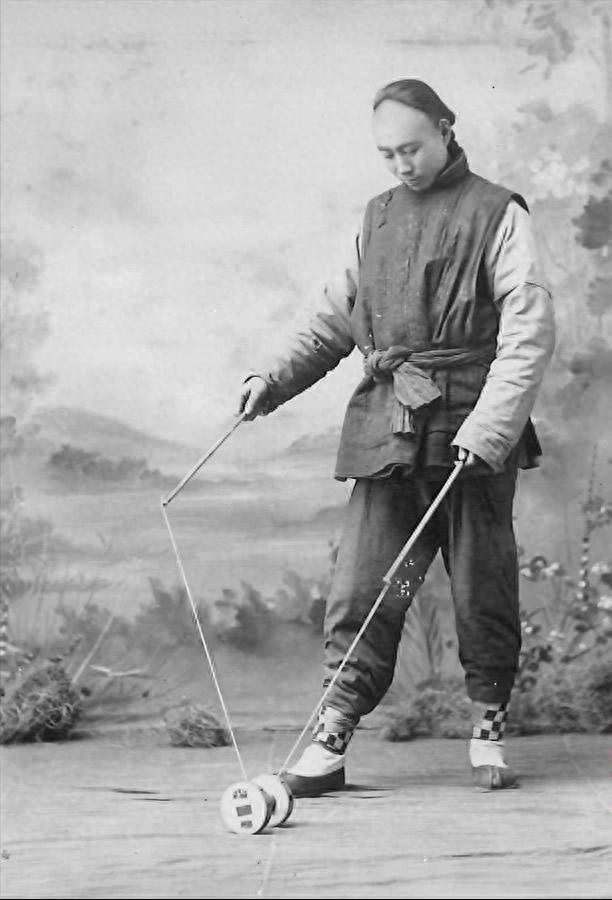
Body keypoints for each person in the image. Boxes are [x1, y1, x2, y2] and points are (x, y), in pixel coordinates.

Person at [238, 79, 555, 795]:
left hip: (471, 432)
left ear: (446, 129)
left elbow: (529, 331)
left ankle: (488, 723)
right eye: (387, 154)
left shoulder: (498, 213)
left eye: (411, 148)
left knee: (479, 585)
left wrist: (489, 427)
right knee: (374, 583)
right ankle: (333, 734)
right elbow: (334, 317)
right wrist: (272, 380)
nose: (401, 164)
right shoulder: (377, 217)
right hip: (392, 433)